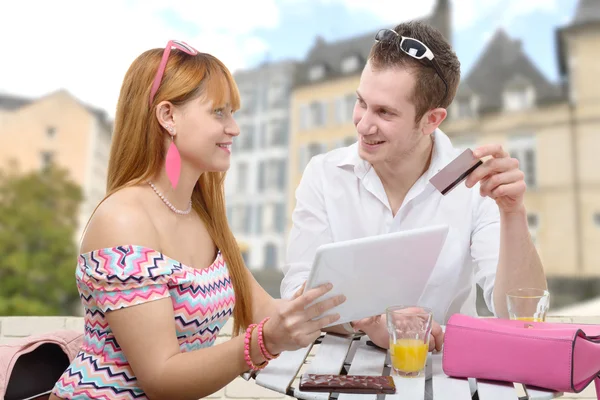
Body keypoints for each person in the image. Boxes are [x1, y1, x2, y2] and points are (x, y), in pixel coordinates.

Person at [49, 40, 345, 400]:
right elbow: (161, 378)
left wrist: (343, 297)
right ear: (168, 116)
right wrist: (263, 342)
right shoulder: (123, 220)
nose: (234, 128)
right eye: (219, 112)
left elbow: (267, 313)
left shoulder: (204, 217)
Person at [280, 21, 547, 350]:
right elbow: (296, 293)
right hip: (343, 374)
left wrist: (513, 213)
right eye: (361, 102)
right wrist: (372, 320)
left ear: (431, 120)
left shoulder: (473, 180)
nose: (363, 124)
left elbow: (520, 317)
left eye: (385, 112)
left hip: (446, 376)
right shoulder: (325, 173)